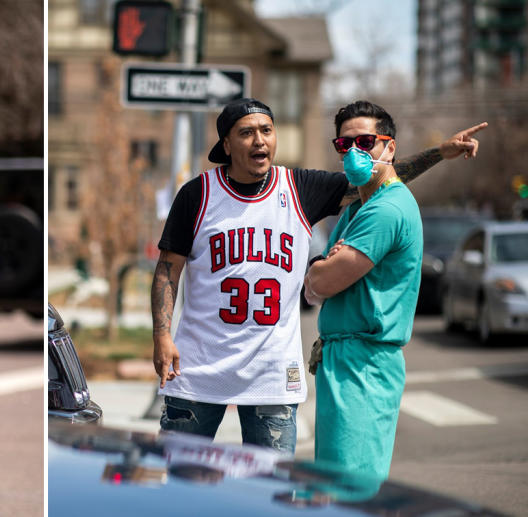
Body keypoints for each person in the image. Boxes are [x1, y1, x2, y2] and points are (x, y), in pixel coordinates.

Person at [152, 97, 485, 453]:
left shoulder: (299, 188)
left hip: (272, 375)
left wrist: (440, 152)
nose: (259, 140)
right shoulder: (198, 194)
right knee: (177, 482)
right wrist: (161, 335)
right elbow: (168, 270)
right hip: (200, 370)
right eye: (246, 133)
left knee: (270, 495)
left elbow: (380, 171)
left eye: (266, 130)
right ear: (227, 145)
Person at [303, 101, 441, 478]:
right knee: (334, 483)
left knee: (351, 487)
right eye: (344, 145)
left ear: (390, 147)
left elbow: (323, 283)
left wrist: (317, 268)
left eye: (365, 142)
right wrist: (323, 270)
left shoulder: (386, 210)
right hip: (344, 360)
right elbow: (320, 285)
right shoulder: (356, 209)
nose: (354, 153)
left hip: (363, 365)